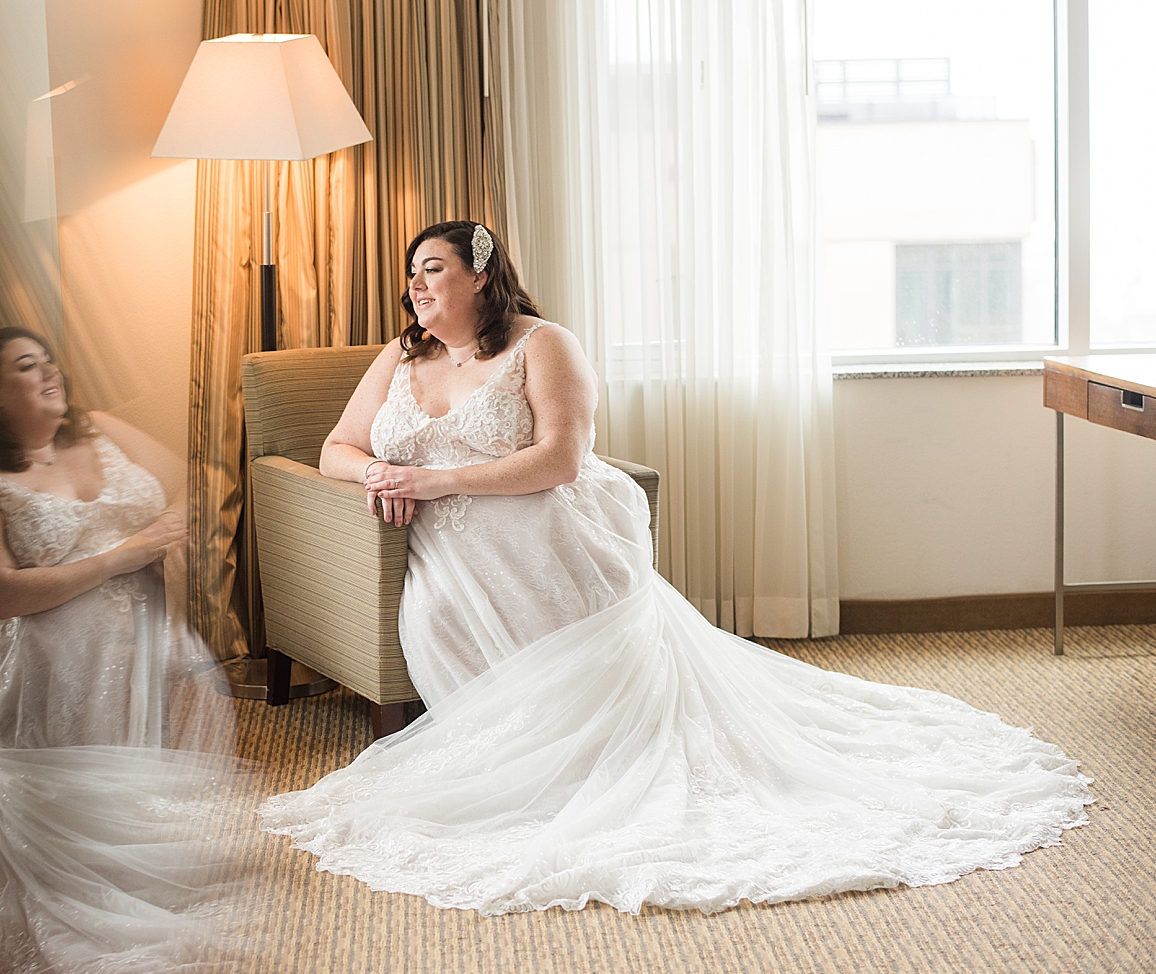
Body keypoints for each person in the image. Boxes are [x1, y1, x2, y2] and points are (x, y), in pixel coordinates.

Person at [258, 221, 1094, 916]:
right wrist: (375, 473)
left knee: (630, 744)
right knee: (445, 638)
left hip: (546, 539)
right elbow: (336, 445)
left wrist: (432, 479)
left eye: (432, 268)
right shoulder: (398, 360)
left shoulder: (543, 346)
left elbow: (559, 459)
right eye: (410, 273)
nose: (415, 284)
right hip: (447, 557)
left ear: (481, 273)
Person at [0, 327, 241, 974]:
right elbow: (1, 593)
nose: (48, 375)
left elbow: (184, 484)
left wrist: (166, 543)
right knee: (72, 891)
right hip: (38, 655)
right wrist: (122, 556)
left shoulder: (96, 427)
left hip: (139, 631)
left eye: (48, 361)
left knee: (154, 797)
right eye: (26, 366)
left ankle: (130, 849)